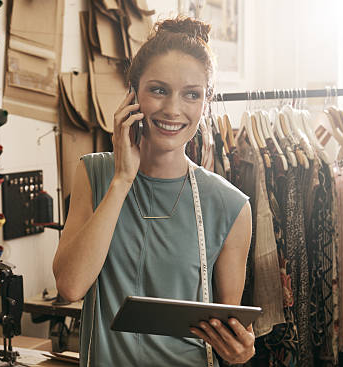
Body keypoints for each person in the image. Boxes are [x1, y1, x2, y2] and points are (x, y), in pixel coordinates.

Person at [52, 15, 255, 366]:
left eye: (191, 95)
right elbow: (70, 287)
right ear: (133, 95)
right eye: (158, 90)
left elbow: (227, 334)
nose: (173, 109)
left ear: (205, 104)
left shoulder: (230, 205)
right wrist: (122, 180)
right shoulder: (96, 173)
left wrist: (239, 353)